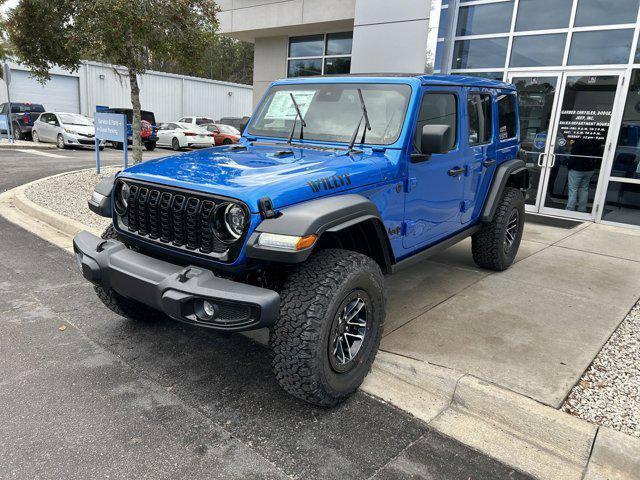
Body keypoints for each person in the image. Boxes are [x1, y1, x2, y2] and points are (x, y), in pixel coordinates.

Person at [566, 138, 596, 212]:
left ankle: (570, 208)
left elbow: (573, 157)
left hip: (576, 169)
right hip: (589, 170)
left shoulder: (578, 143)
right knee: (584, 189)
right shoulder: (593, 143)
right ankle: (582, 209)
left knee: (573, 189)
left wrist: (569, 166)